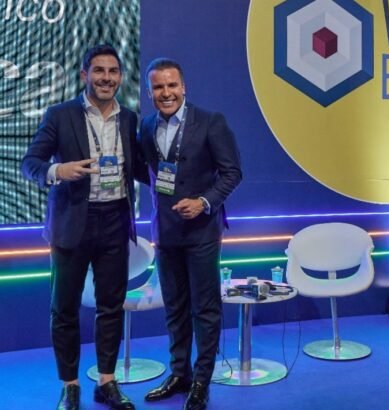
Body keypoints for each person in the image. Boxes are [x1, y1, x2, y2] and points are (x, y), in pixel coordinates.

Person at [21, 44, 139, 410]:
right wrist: (59, 170)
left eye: (113, 71)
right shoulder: (60, 115)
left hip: (115, 220)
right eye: (99, 71)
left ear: (120, 77)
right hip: (73, 221)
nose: (106, 78)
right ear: (84, 75)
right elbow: (31, 163)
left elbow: (140, 165)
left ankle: (106, 382)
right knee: (65, 309)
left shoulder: (129, 118)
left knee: (111, 306)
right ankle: (69, 385)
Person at [137, 58, 242, 410]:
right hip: (166, 231)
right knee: (175, 307)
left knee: (205, 308)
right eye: (158, 87)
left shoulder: (211, 122)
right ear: (150, 92)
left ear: (183, 87)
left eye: (172, 85)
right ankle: (179, 374)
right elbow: (144, 170)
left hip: (202, 230)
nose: (166, 93)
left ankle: (201, 381)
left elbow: (232, 173)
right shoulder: (146, 126)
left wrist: (203, 201)